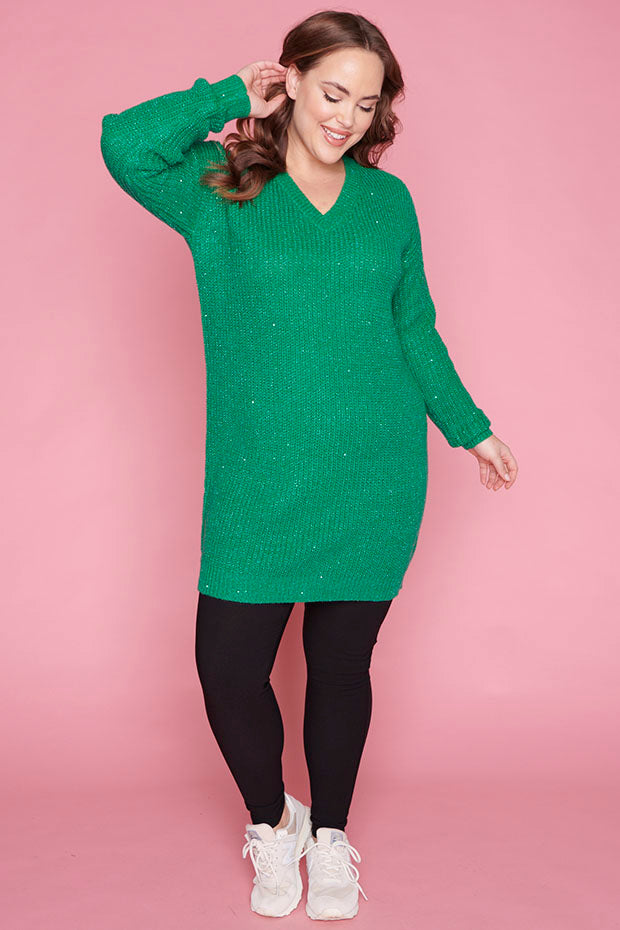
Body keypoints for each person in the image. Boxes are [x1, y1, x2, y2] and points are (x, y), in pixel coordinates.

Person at [100, 9, 518, 921]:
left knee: (339, 667)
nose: (347, 118)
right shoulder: (220, 190)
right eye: (333, 92)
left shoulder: (388, 203)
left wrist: (470, 428)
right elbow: (123, 144)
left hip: (373, 474)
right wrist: (227, 94)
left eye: (366, 104)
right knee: (227, 670)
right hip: (258, 482)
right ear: (289, 79)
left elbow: (413, 326)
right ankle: (273, 822)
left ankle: (330, 837)